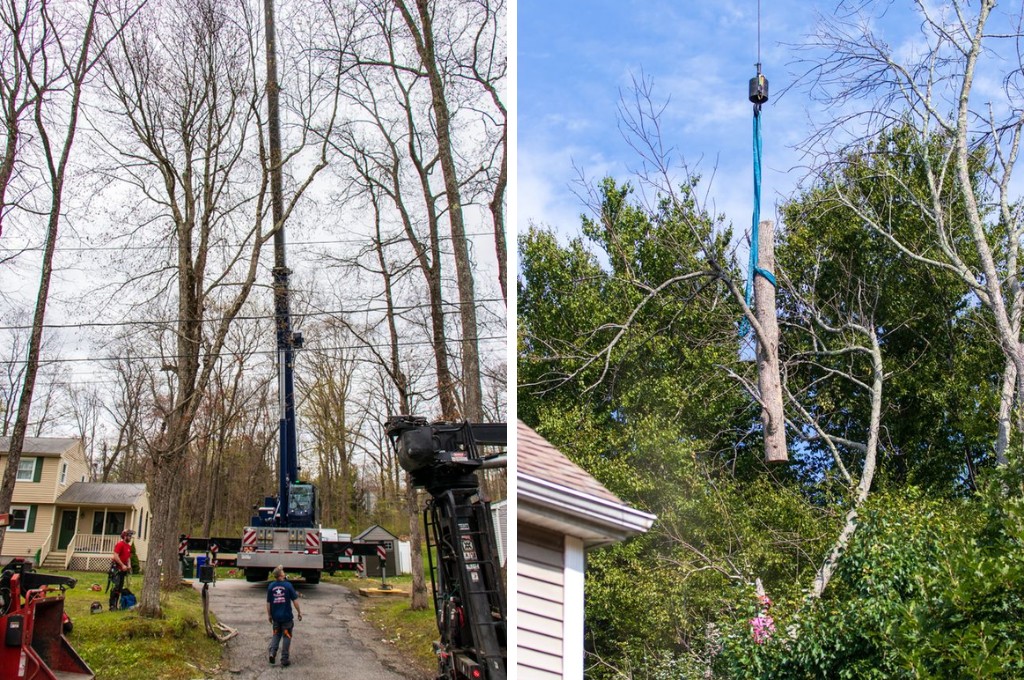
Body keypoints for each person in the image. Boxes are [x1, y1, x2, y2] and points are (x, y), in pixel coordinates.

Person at [266, 565, 302, 666]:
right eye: (283, 571)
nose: (284, 572)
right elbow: (295, 601)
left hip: (276, 617)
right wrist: (299, 612)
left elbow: (268, 603)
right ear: (281, 574)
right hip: (286, 617)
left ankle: (272, 652)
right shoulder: (288, 586)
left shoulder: (271, 586)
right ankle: (284, 659)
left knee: (276, 634)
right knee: (286, 636)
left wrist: (269, 615)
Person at [109, 529, 134, 611]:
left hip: (123, 570)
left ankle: (116, 604)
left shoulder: (128, 546)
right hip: (117, 569)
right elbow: (115, 555)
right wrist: (122, 565)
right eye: (129, 536)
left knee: (120, 588)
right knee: (116, 587)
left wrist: (129, 565)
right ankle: (112, 605)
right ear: (125, 536)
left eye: (131, 536)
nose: (130, 537)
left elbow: (128, 557)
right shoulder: (120, 544)